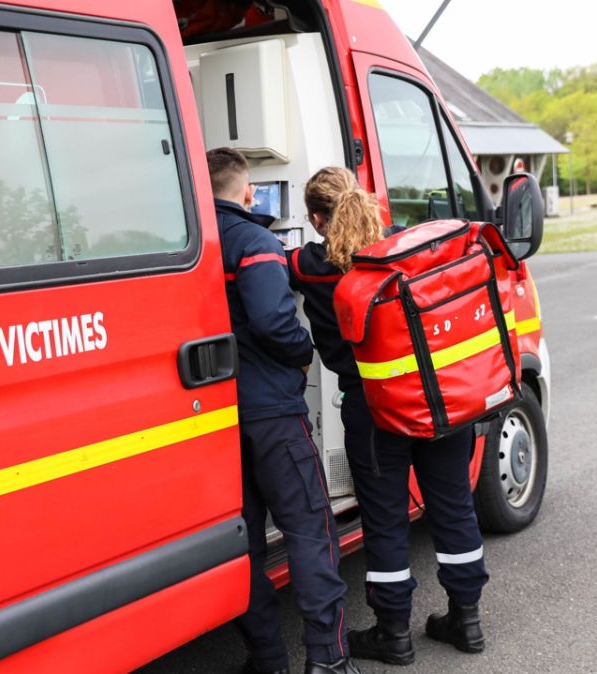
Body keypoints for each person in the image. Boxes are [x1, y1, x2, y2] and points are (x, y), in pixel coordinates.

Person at [288, 167, 489, 666]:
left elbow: (271, 261)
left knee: (384, 521)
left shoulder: (311, 263)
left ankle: (393, 633)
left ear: (316, 217)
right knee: (454, 507)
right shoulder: (404, 247)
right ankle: (467, 620)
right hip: (436, 400)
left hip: (373, 411)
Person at [206, 148, 359, 674]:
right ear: (248, 192)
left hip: (215, 417)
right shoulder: (255, 242)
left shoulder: (193, 246)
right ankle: (328, 660)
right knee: (310, 532)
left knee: (244, 541)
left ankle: (267, 658)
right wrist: (301, 355)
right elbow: (276, 324)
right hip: (273, 412)